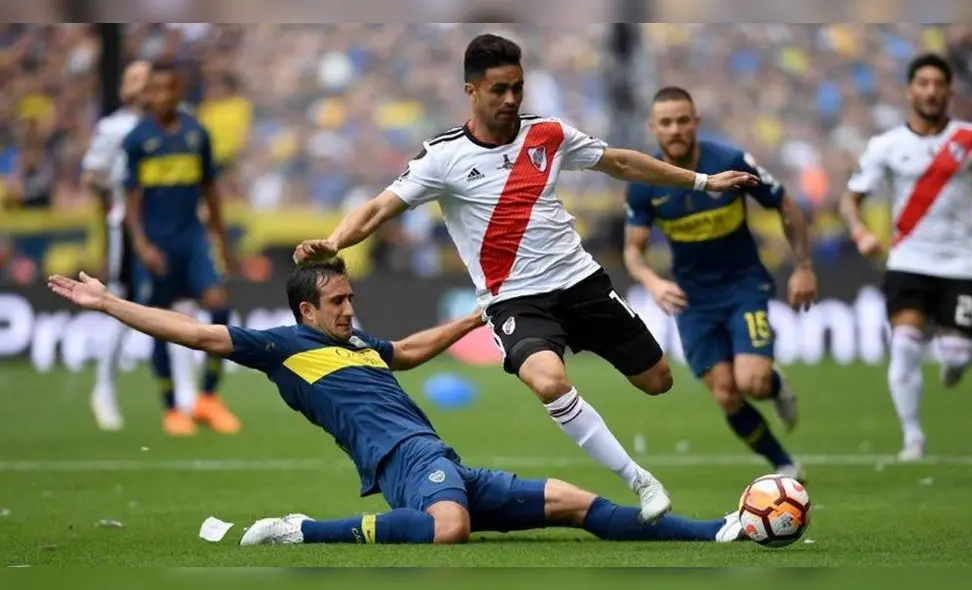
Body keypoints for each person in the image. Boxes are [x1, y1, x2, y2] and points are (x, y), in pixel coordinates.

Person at [293, 33, 759, 523]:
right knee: (548, 379)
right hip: (515, 300)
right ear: (471, 91)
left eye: (518, 87)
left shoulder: (549, 134)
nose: (511, 99)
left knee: (658, 380)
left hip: (582, 283)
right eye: (499, 90)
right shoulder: (442, 157)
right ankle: (639, 480)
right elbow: (377, 210)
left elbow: (620, 161)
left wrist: (704, 181)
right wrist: (335, 242)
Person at [45, 259, 746, 546]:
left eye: (351, 297)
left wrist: (473, 320)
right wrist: (108, 302)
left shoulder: (358, 345)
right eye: (340, 300)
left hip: (436, 459)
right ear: (305, 309)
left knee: (578, 504)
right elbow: (194, 332)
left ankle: (718, 529)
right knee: (446, 531)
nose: (352, 307)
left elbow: (406, 352)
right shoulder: (281, 347)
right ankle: (300, 529)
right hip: (404, 456)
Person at [622, 87, 815, 481]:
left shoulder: (729, 161)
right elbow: (632, 252)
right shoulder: (646, 181)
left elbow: (784, 204)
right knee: (726, 393)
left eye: (682, 120)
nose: (675, 129)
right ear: (653, 128)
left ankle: (775, 385)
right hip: (692, 302)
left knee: (753, 382)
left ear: (695, 122)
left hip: (744, 287)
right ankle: (783, 465)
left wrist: (803, 266)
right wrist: (652, 282)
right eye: (666, 122)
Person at [840, 53, 972, 462]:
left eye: (938, 84)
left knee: (957, 356)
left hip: (960, 263)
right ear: (910, 90)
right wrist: (860, 232)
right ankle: (913, 438)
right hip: (907, 260)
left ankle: (958, 359)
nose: (930, 91)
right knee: (906, 347)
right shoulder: (887, 145)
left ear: (949, 90)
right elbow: (850, 199)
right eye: (923, 83)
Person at [122, 59, 240, 436]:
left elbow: (212, 192)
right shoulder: (138, 138)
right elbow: (131, 200)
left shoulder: (196, 134)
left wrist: (222, 243)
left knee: (220, 309)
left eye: (169, 89)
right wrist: (140, 245)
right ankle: (172, 408)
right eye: (156, 90)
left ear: (180, 91)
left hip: (193, 241)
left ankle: (207, 396)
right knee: (158, 326)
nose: (162, 96)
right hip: (157, 245)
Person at [81, 59, 200, 431]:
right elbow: (91, 176)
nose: (143, 85)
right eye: (134, 78)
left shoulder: (177, 119)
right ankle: (103, 389)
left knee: (180, 304)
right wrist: (123, 188)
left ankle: (187, 397)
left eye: (147, 78)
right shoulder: (114, 127)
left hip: (171, 226)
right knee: (119, 301)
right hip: (131, 228)